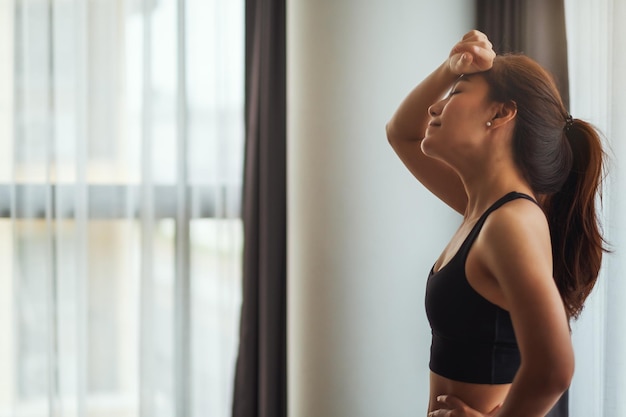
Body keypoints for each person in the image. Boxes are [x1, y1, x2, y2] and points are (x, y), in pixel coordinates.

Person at [386, 30, 606, 416]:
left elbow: (554, 367)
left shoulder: (510, 223)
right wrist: (450, 69)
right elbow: (401, 133)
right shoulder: (483, 209)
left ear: (501, 112)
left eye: (455, 93)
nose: (434, 109)